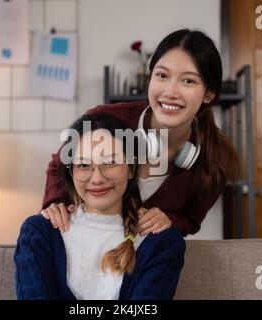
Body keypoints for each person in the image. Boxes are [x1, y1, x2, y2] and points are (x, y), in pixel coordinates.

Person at [42, 28, 239, 237]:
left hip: (140, 260)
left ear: (209, 94)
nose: (170, 92)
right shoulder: (105, 119)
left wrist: (168, 220)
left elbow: (190, 220)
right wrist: (55, 204)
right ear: (150, 78)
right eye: (162, 75)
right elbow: (59, 165)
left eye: (188, 80)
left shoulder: (218, 158)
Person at [14, 114, 185, 300]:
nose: (97, 179)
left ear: (131, 169)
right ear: (71, 172)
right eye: (84, 165)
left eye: (111, 163)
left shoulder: (161, 242)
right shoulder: (39, 232)